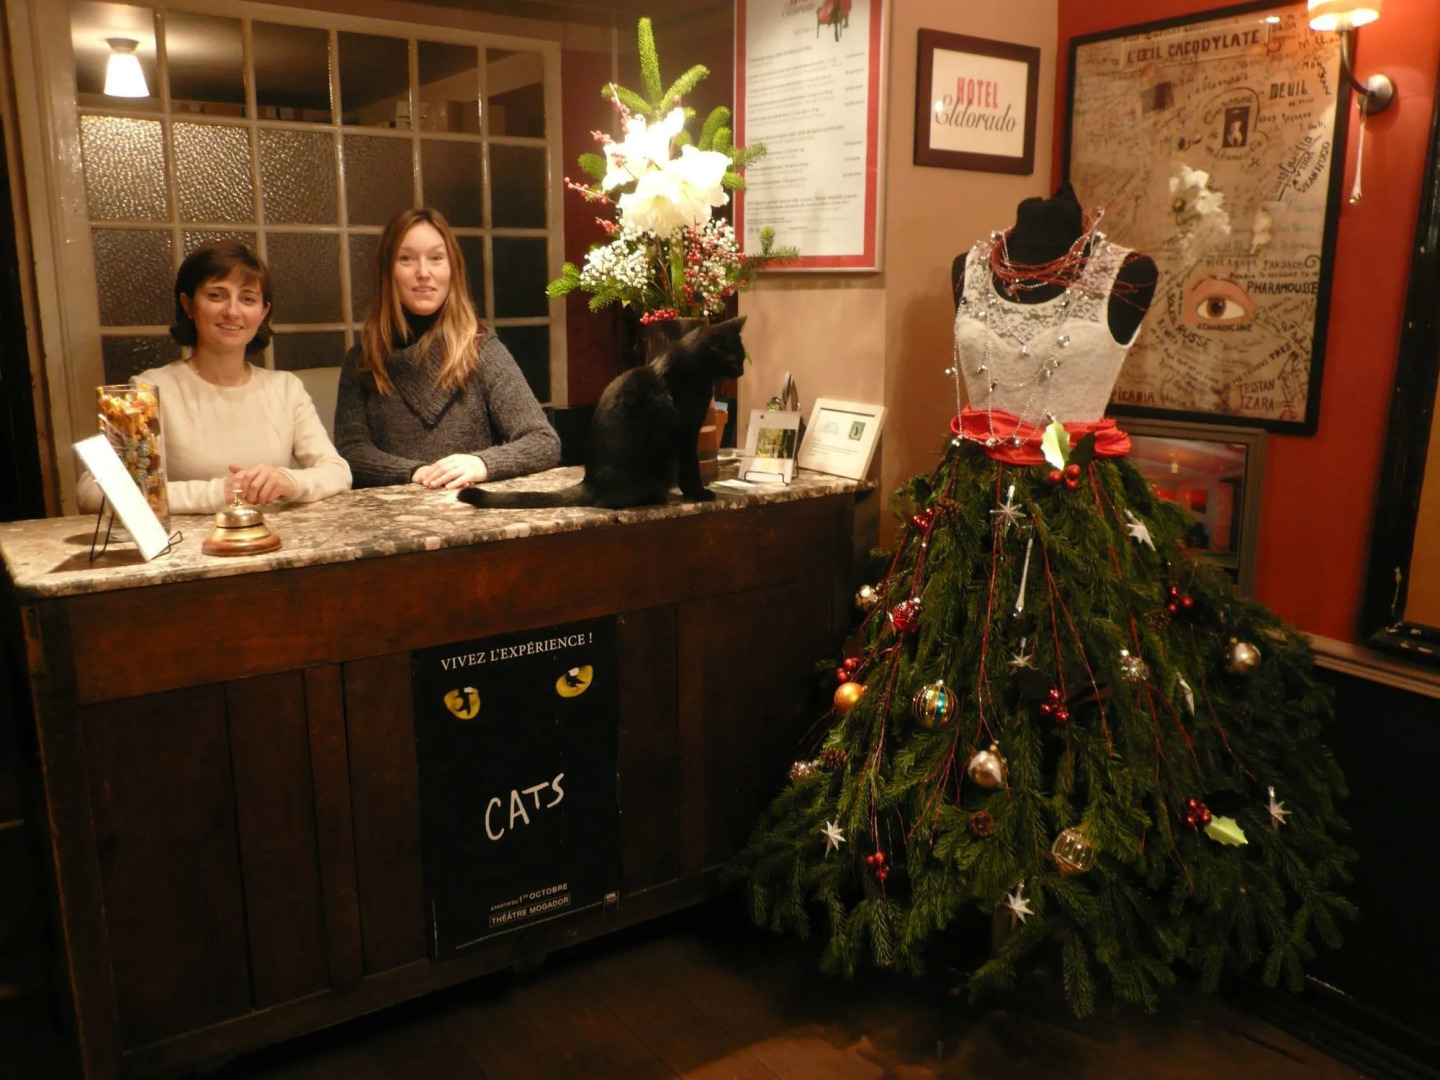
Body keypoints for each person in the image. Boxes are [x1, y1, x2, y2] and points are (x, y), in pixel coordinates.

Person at [740, 192, 1352, 1014]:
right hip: (967, 520)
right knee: (945, 688)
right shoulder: (969, 266)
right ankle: (949, 882)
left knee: (1087, 691)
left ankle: (1072, 903)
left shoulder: (1127, 271)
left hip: (1076, 516)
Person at [77, 242, 351, 515]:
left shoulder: (285, 388)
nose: (232, 311)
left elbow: (337, 472)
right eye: (216, 295)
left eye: (247, 299)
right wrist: (219, 493)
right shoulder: (149, 390)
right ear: (188, 305)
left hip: (274, 542)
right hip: (188, 551)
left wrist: (288, 481)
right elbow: (92, 491)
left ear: (263, 313)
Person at [334, 207, 560, 490]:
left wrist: (483, 464)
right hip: (391, 523)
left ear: (453, 268)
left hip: (470, 519)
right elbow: (350, 452)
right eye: (406, 259)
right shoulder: (363, 360)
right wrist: (416, 473)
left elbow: (542, 441)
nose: (423, 273)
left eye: (436, 258)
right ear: (386, 271)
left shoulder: (480, 348)